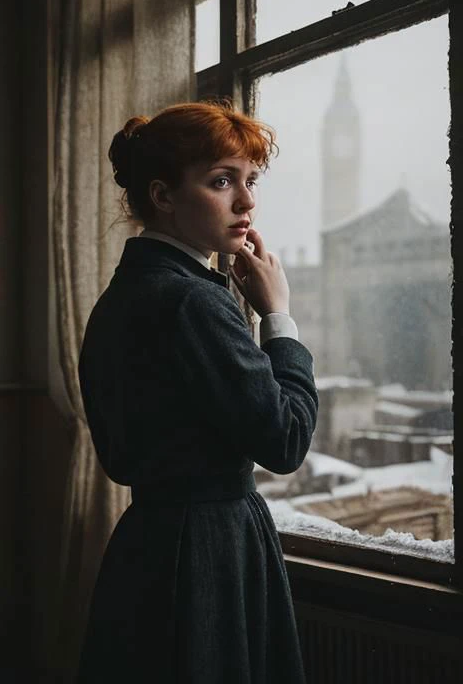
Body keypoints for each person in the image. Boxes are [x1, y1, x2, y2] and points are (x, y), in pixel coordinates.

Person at [76, 100, 318, 683]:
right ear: (163, 196)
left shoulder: (121, 298)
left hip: (145, 545)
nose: (247, 201)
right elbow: (285, 441)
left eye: (250, 180)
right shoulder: (192, 299)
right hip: (212, 550)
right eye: (221, 181)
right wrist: (277, 316)